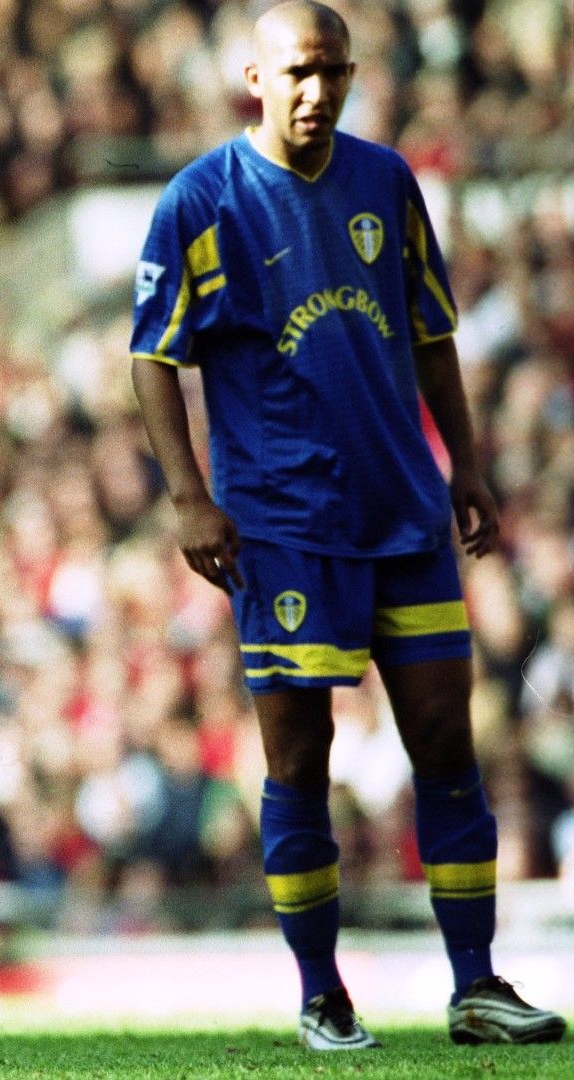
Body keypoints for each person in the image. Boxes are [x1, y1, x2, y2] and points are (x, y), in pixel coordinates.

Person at [130, 0, 565, 1053]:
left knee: (449, 745)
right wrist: (189, 496)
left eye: (334, 72)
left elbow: (432, 332)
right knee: (299, 761)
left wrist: (465, 463)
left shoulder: (387, 182)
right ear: (255, 79)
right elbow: (153, 356)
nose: (317, 91)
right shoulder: (203, 200)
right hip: (284, 525)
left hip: (404, 511)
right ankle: (323, 993)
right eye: (298, 72)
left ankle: (476, 983)